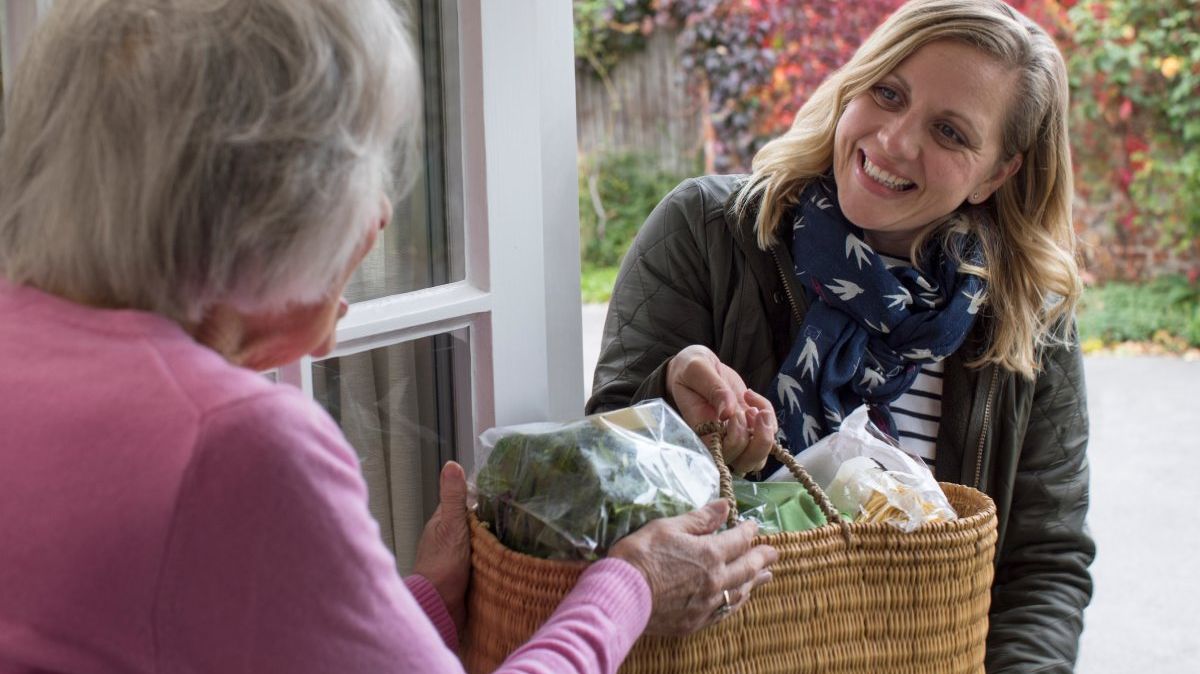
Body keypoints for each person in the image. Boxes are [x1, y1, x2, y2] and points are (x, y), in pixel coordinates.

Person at [0, 1, 778, 672]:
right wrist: (632, 583)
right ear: (273, 199)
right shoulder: (236, 443)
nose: (379, 215)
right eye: (368, 163)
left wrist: (421, 604)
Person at [588, 0, 1094, 671]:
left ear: (997, 172)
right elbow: (598, 480)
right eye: (888, 92)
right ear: (855, 82)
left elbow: (1045, 563)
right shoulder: (706, 232)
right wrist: (673, 408)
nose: (894, 141)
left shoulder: (1028, 315)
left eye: (950, 132)